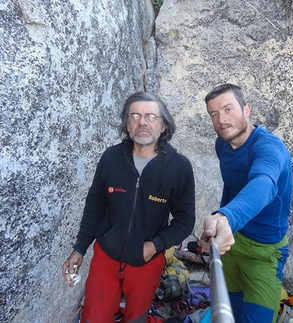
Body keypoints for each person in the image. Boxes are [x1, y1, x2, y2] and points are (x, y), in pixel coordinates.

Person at [62, 92, 196, 323]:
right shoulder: (111, 158)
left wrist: (155, 245)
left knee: (136, 318)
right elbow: (95, 206)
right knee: (93, 316)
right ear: (127, 123)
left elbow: (185, 220)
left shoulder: (179, 167)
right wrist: (80, 248)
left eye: (151, 116)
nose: (142, 121)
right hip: (106, 255)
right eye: (135, 115)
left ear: (163, 126)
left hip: (147, 260)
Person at [198, 84, 293, 323]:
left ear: (247, 109)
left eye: (228, 109)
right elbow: (231, 188)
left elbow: (263, 184)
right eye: (214, 114)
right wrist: (221, 218)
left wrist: (227, 218)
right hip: (232, 244)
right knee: (231, 311)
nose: (222, 119)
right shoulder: (223, 145)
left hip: (264, 253)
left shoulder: (269, 149)